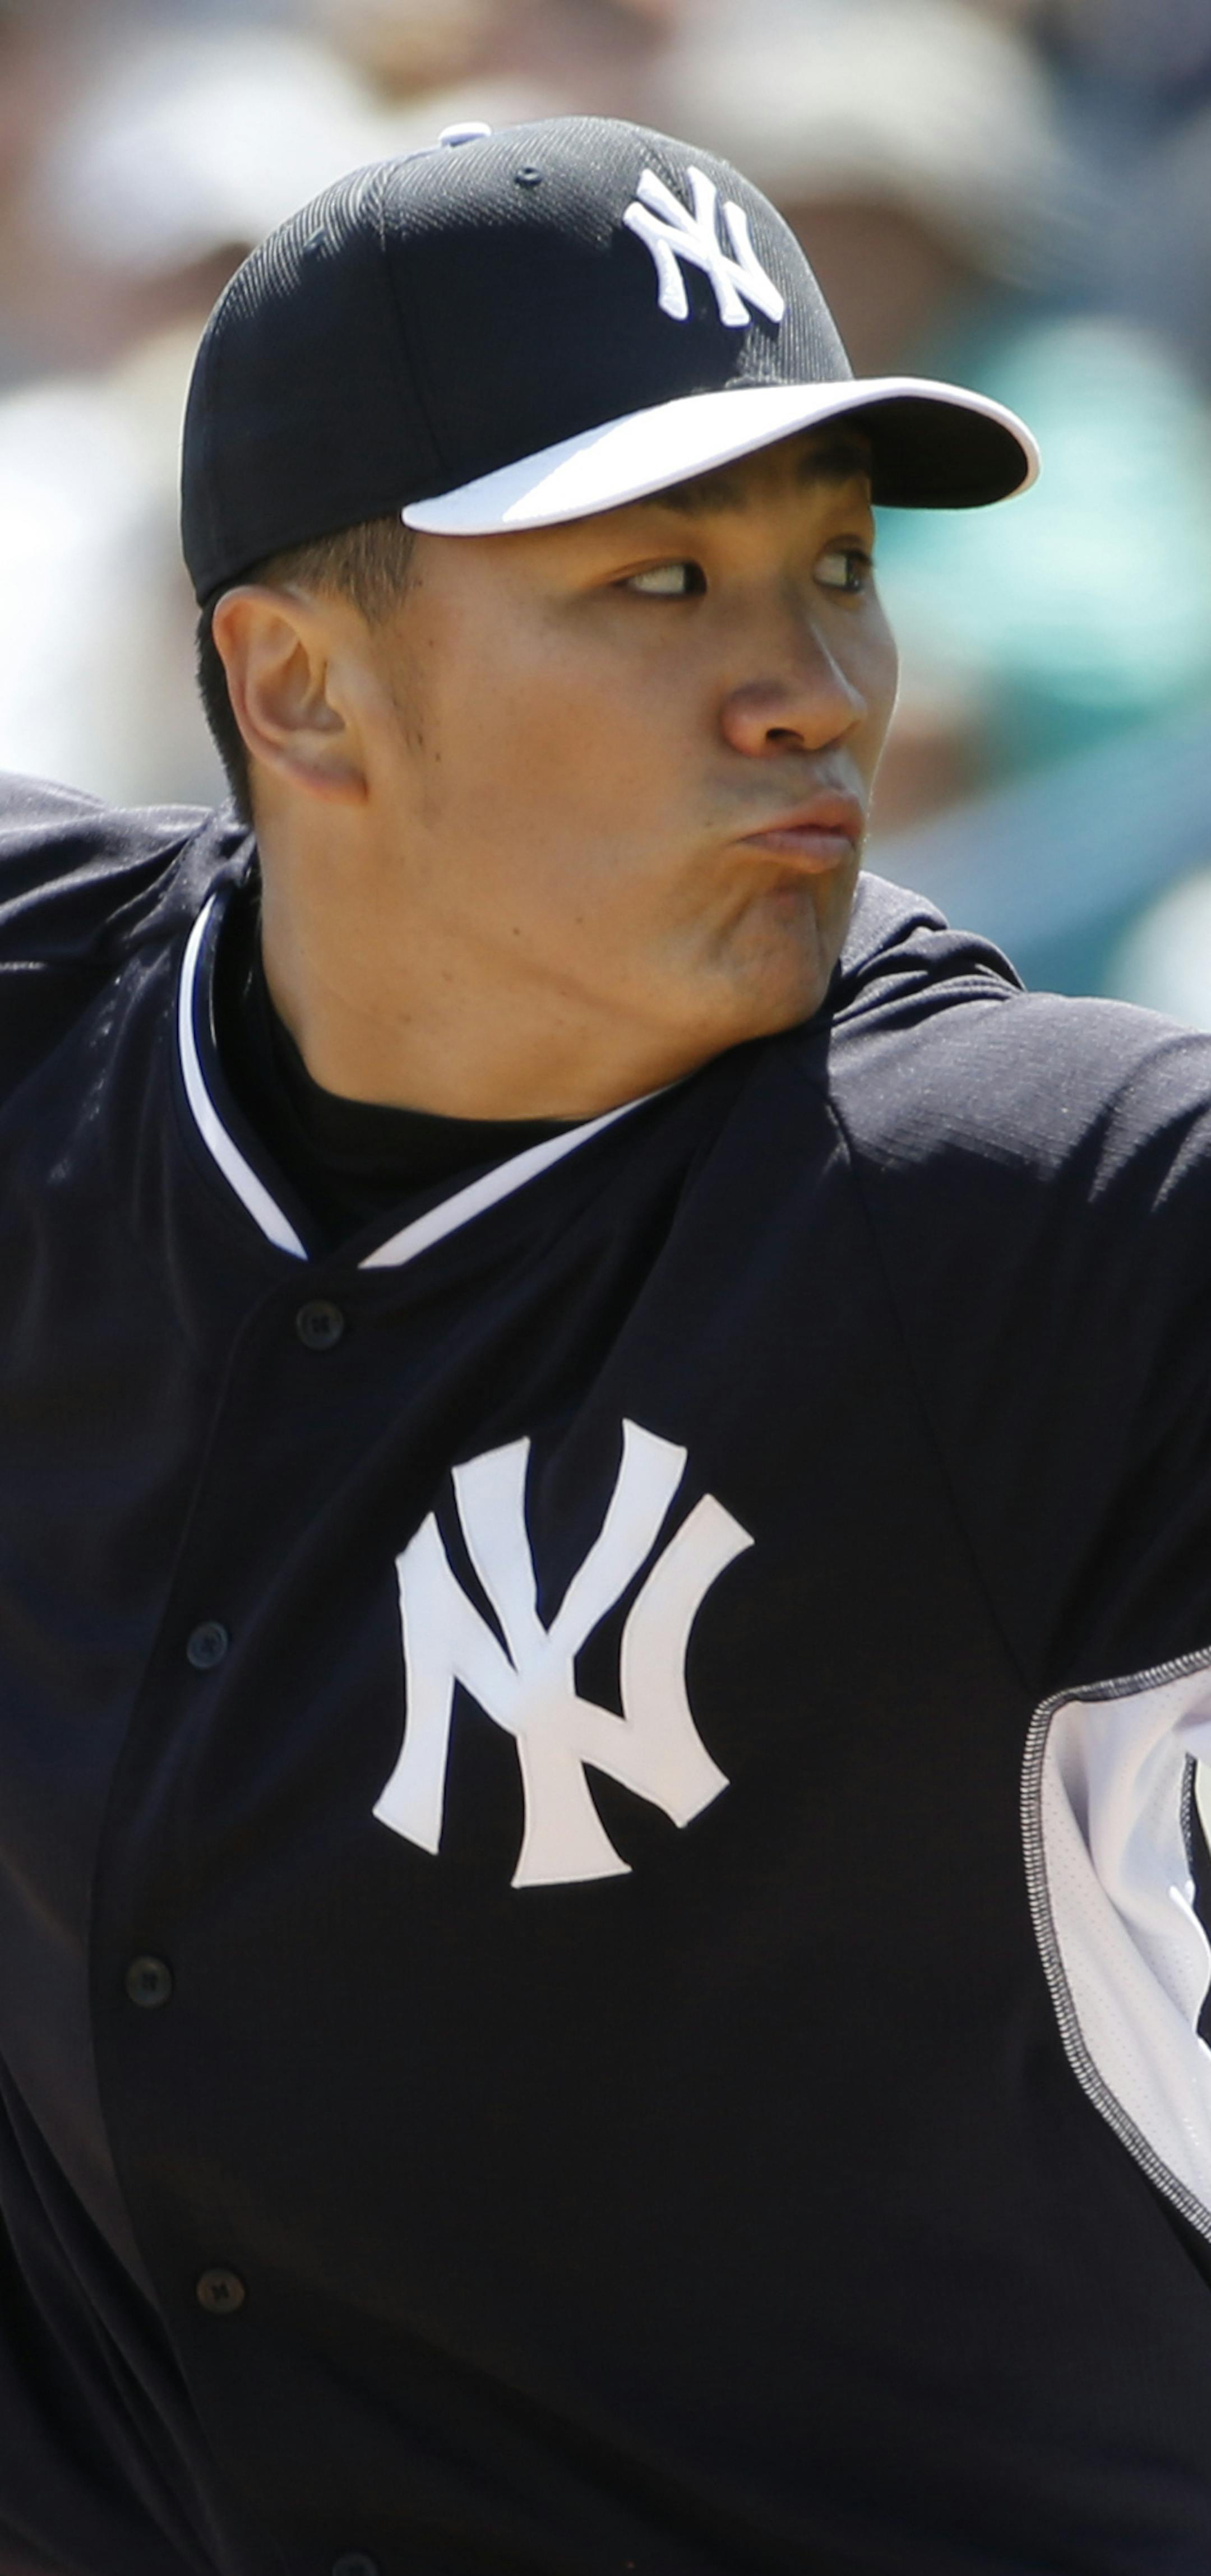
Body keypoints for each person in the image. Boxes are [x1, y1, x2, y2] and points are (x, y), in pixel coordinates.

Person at [4, 112, 1211, 2576]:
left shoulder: (1011, 1211)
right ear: (301, 687)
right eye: (664, 580)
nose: (818, 692)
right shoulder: (52, 1035)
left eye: (841, 570)